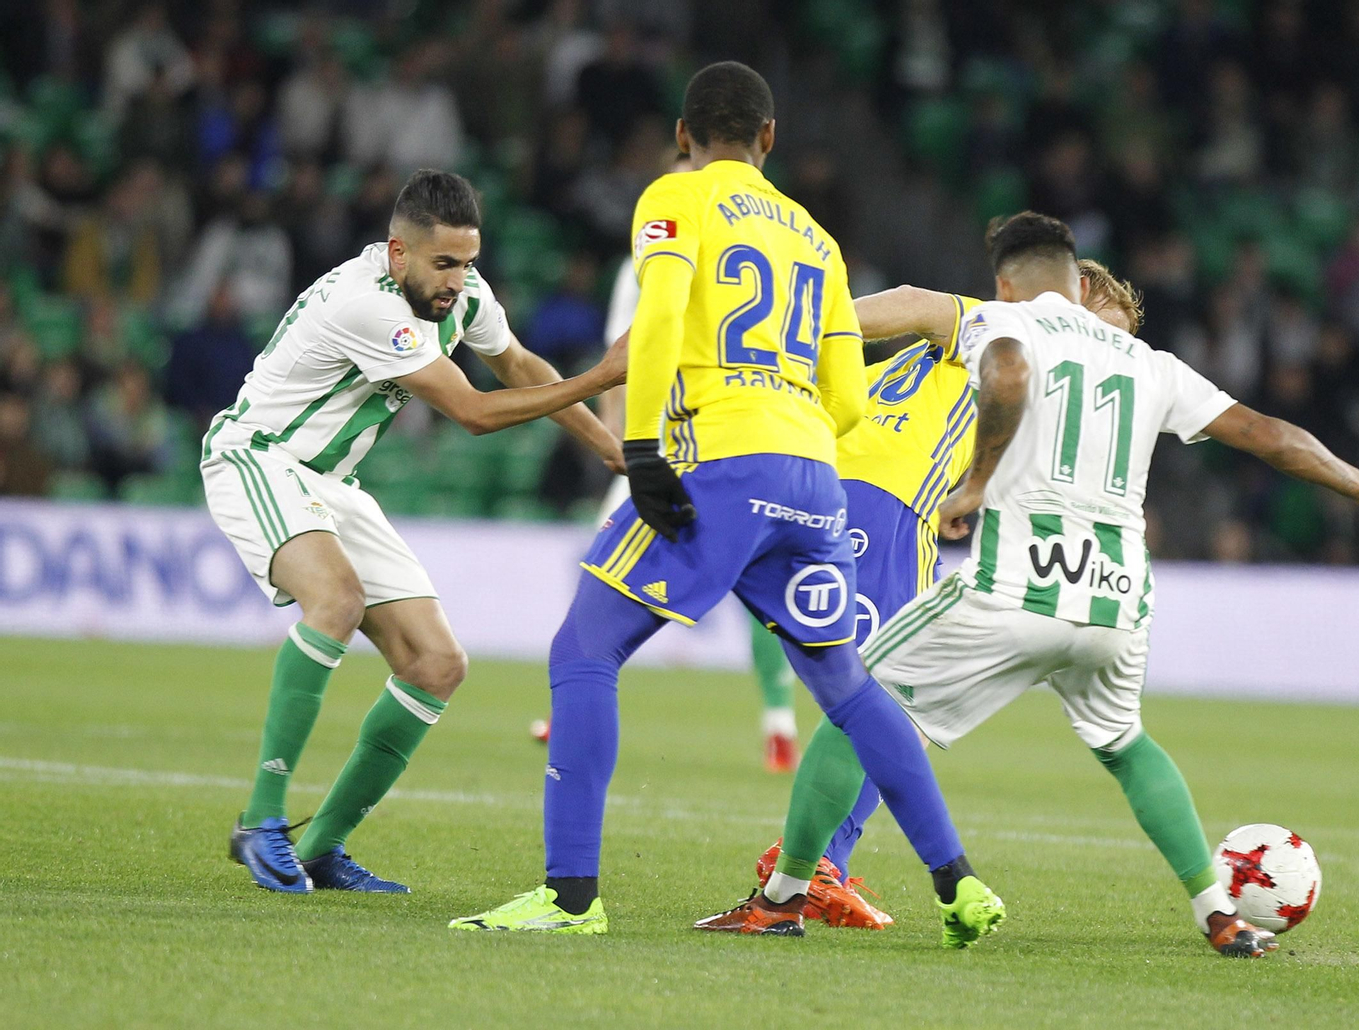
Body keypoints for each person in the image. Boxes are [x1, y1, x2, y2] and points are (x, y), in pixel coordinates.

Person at [722, 212, 1359, 958]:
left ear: (1011, 282)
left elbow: (995, 361)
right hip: (1116, 595)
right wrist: (1357, 481)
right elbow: (1269, 434)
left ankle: (783, 897)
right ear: (1079, 281)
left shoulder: (1004, 322)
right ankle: (1219, 912)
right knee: (1126, 744)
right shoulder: (1152, 364)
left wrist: (978, 480)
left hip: (1018, 581)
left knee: (859, 706)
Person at [450, 62, 1004, 948]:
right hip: (812, 472)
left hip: (722, 459)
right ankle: (957, 884)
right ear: (771, 139)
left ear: (683, 135)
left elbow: (661, 316)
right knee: (848, 685)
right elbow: (850, 400)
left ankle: (570, 898)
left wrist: (641, 449)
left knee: (585, 648)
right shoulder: (817, 238)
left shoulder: (678, 199)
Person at [206, 169, 625, 894]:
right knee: (333, 601)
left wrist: (613, 451)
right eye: (444, 264)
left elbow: (519, 365)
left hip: (333, 482)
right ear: (398, 252)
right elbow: (474, 411)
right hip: (260, 458)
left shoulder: (460, 292)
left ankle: (321, 850)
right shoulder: (363, 302)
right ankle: (262, 821)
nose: (459, 281)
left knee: (436, 663)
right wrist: (601, 377)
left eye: (468, 262)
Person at [701, 259, 1143, 933]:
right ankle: (814, 873)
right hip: (881, 511)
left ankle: (814, 871)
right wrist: (814, 329)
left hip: (824, 488)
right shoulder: (1006, 332)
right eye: (1096, 328)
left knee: (878, 698)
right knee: (883, 700)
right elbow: (912, 298)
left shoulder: (985, 368)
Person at [594, 151, 801, 773]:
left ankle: (577, 699)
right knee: (764, 584)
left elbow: (625, 346)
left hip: (668, 437)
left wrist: (620, 433)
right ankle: (782, 725)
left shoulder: (650, 251)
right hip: (757, 439)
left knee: (604, 571)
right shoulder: (780, 242)